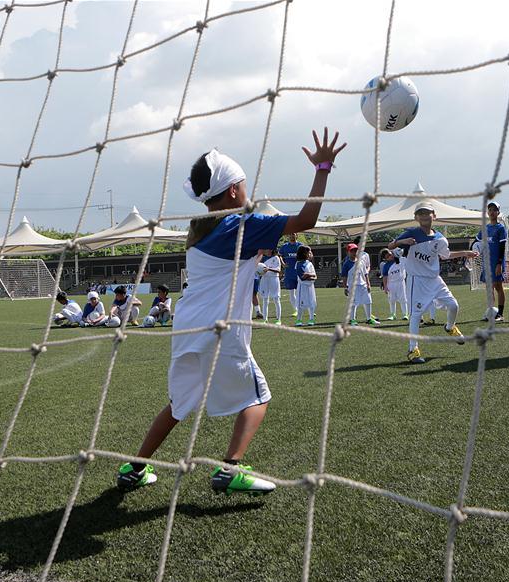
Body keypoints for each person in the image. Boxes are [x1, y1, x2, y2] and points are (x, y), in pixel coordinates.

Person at [116, 127, 346, 495]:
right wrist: (322, 168)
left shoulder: (201, 230)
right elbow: (306, 221)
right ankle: (230, 468)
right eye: (244, 184)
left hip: (187, 328)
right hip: (220, 329)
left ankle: (136, 467)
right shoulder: (242, 225)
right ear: (235, 191)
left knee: (177, 404)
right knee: (258, 398)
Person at [388, 202, 478, 364]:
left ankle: (450, 327)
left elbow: (445, 255)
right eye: (420, 213)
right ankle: (413, 349)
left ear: (434, 216)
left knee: (454, 306)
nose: (424, 215)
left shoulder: (440, 239)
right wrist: (402, 242)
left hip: (435, 279)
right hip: (417, 279)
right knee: (416, 315)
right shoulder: (411, 233)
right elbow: (390, 246)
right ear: (416, 217)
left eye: (427, 213)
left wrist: (465, 253)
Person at [475, 200, 508, 322]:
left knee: (498, 287)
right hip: (486, 262)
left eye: (494, 210)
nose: (492, 212)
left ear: (498, 212)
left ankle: (500, 314)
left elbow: (502, 247)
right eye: (490, 210)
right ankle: (490, 312)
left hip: (496, 263)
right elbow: (477, 241)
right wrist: (471, 251)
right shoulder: (485, 228)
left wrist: (499, 263)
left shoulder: (501, 228)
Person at [341, 243, 378, 326]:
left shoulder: (361, 261)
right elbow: (344, 276)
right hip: (353, 286)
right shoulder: (346, 264)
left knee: (368, 301)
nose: (354, 252)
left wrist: (368, 284)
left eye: (356, 250)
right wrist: (345, 287)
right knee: (353, 303)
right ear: (348, 252)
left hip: (363, 285)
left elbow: (365, 274)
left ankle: (369, 319)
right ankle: (352, 320)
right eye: (352, 251)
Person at [380, 248, 409, 320]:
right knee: (392, 300)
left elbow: (403, 254)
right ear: (385, 259)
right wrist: (385, 286)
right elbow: (385, 277)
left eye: (390, 254)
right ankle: (393, 315)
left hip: (401, 282)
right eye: (387, 257)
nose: (390, 257)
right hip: (391, 284)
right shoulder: (386, 266)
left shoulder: (399, 259)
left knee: (403, 299)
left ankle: (405, 314)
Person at [279, 233, 303, 317]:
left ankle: (307, 308)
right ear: (288, 236)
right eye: (290, 234)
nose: (291, 235)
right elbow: (280, 256)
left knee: (301, 292)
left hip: (300, 272)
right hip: (289, 273)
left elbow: (307, 255)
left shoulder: (300, 246)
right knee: (291, 293)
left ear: (297, 236)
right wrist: (282, 263)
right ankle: (295, 310)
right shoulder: (284, 246)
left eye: (293, 234)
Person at [294, 245, 317, 326]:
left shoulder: (310, 264)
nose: (310, 254)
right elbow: (302, 277)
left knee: (311, 302)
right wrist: (310, 275)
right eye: (308, 252)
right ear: (304, 253)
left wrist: (308, 275)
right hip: (302, 287)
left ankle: (311, 319)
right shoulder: (298, 264)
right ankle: (299, 320)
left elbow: (315, 276)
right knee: (301, 304)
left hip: (310, 287)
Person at [259, 248, 283, 325]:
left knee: (276, 299)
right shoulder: (262, 258)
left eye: (269, 249)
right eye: (266, 249)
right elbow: (258, 269)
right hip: (264, 279)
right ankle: (265, 319)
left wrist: (269, 269)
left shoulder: (276, 258)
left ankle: (278, 319)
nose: (268, 251)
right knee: (265, 299)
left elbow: (278, 270)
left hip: (274, 279)